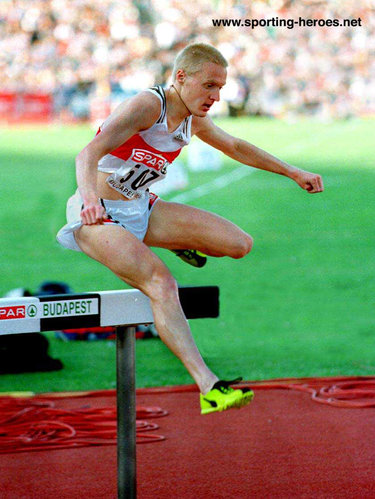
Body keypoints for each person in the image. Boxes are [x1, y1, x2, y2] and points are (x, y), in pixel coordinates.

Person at [57, 43, 324, 414]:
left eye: (221, 89)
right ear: (181, 77)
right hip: (101, 215)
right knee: (161, 284)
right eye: (209, 86)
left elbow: (235, 145)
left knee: (238, 243)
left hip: (142, 207)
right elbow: (87, 154)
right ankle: (208, 385)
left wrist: (294, 172)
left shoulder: (192, 118)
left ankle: (173, 241)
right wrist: (89, 200)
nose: (215, 96)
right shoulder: (149, 106)